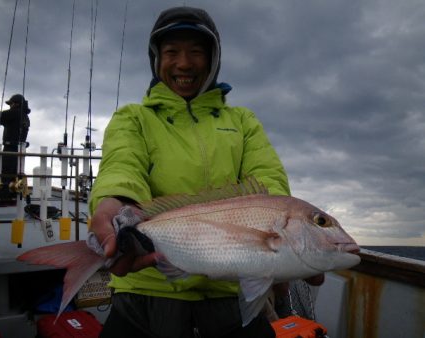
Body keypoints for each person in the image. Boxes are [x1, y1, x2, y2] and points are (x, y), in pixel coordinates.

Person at [90, 6, 321, 338]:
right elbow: (122, 165)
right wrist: (116, 202)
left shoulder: (242, 121)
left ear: (213, 60)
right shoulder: (133, 118)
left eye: (196, 52)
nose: (184, 63)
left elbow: (267, 179)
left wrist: (291, 245)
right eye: (171, 52)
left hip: (230, 295)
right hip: (148, 291)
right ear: (156, 59)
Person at [0, 93, 30, 200]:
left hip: (10, 149)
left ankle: (3, 196)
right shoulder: (25, 117)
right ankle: (13, 194)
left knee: (4, 172)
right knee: (15, 173)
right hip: (19, 150)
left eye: (11, 103)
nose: (10, 106)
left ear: (16, 104)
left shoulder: (15, 113)